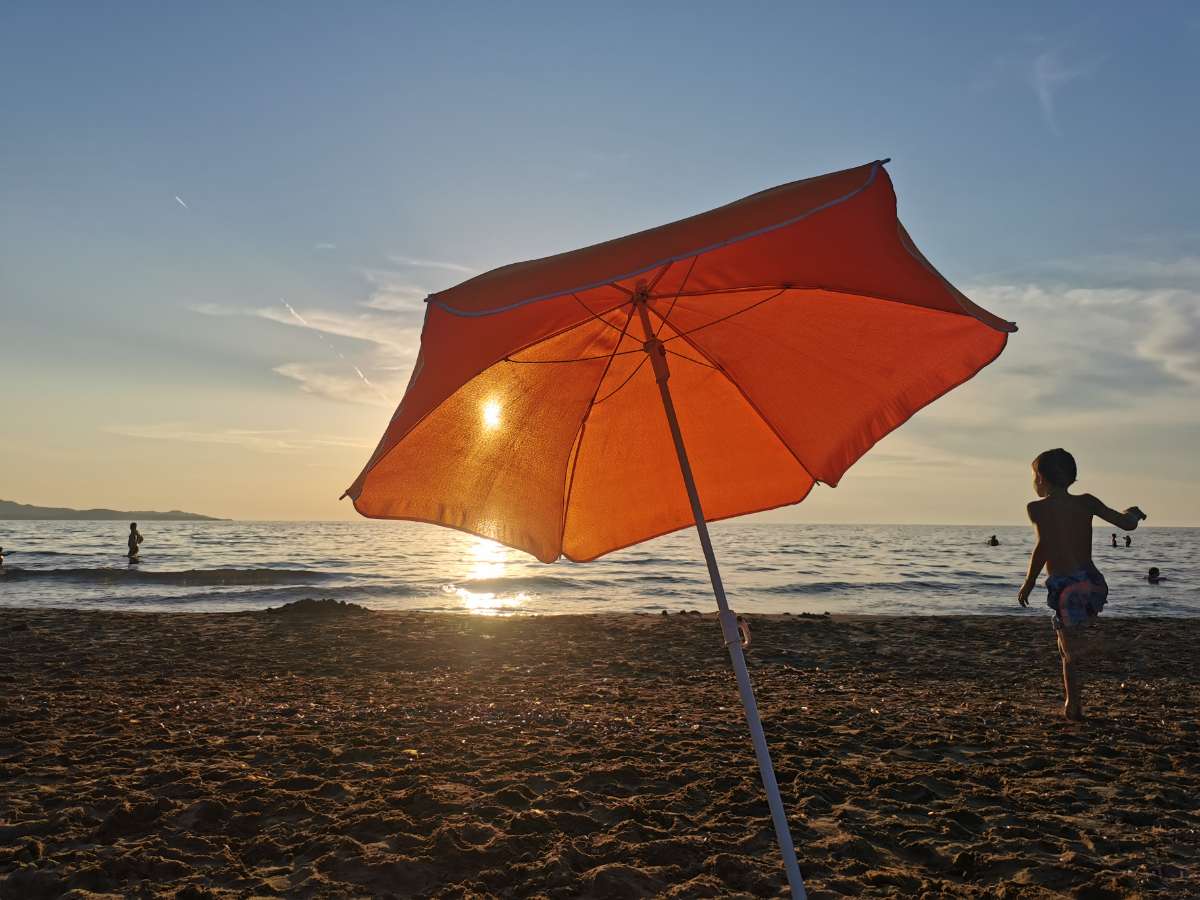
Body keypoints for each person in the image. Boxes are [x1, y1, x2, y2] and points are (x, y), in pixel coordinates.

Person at [1016, 448, 1146, 721]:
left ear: (1041, 478)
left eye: (1033, 476)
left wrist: (1029, 581)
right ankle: (1073, 701)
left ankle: (1074, 703)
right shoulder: (1087, 502)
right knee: (1069, 644)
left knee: (1067, 650)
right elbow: (1125, 524)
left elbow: (1044, 546)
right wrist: (1132, 513)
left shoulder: (1037, 508)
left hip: (1066, 587)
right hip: (1093, 583)